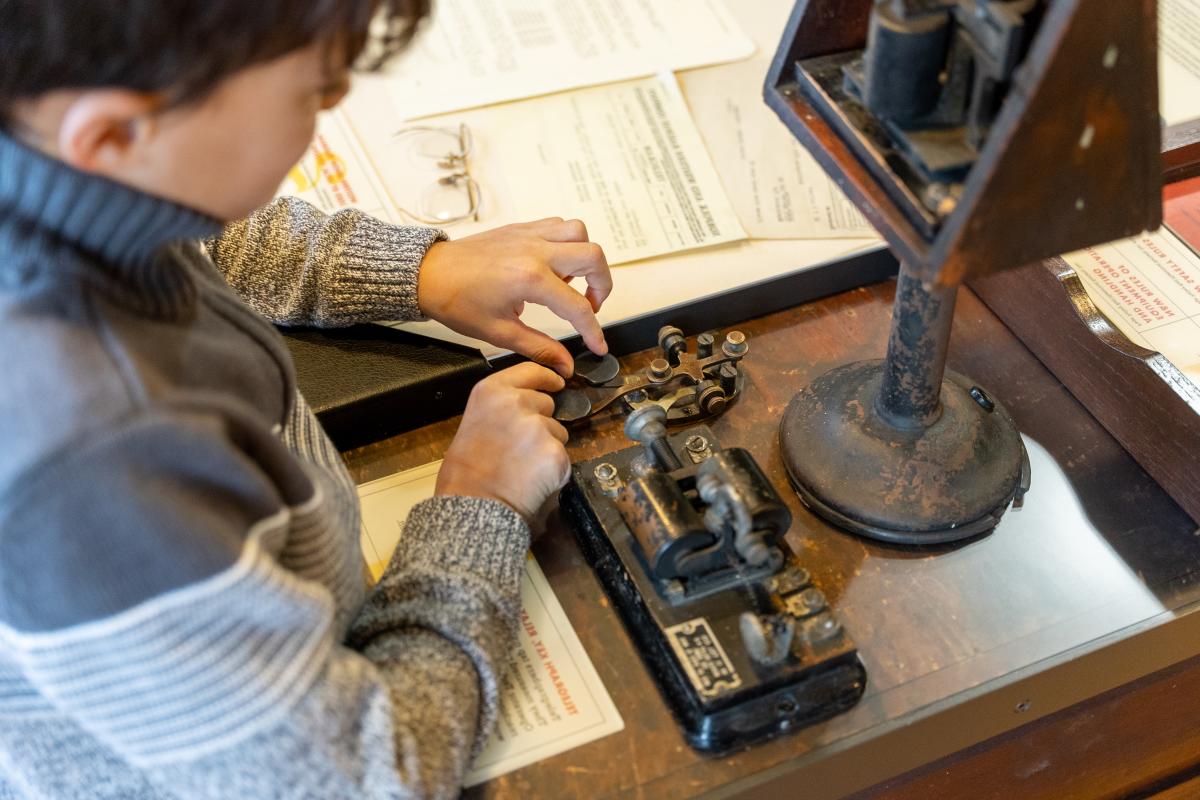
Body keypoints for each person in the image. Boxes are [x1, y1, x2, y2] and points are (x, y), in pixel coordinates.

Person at [0, 1, 613, 798]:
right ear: (114, 133)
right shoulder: (95, 470)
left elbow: (193, 225)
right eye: (312, 95)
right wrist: (480, 503)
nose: (330, 110)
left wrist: (418, 271)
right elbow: (359, 776)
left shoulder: (53, 151)